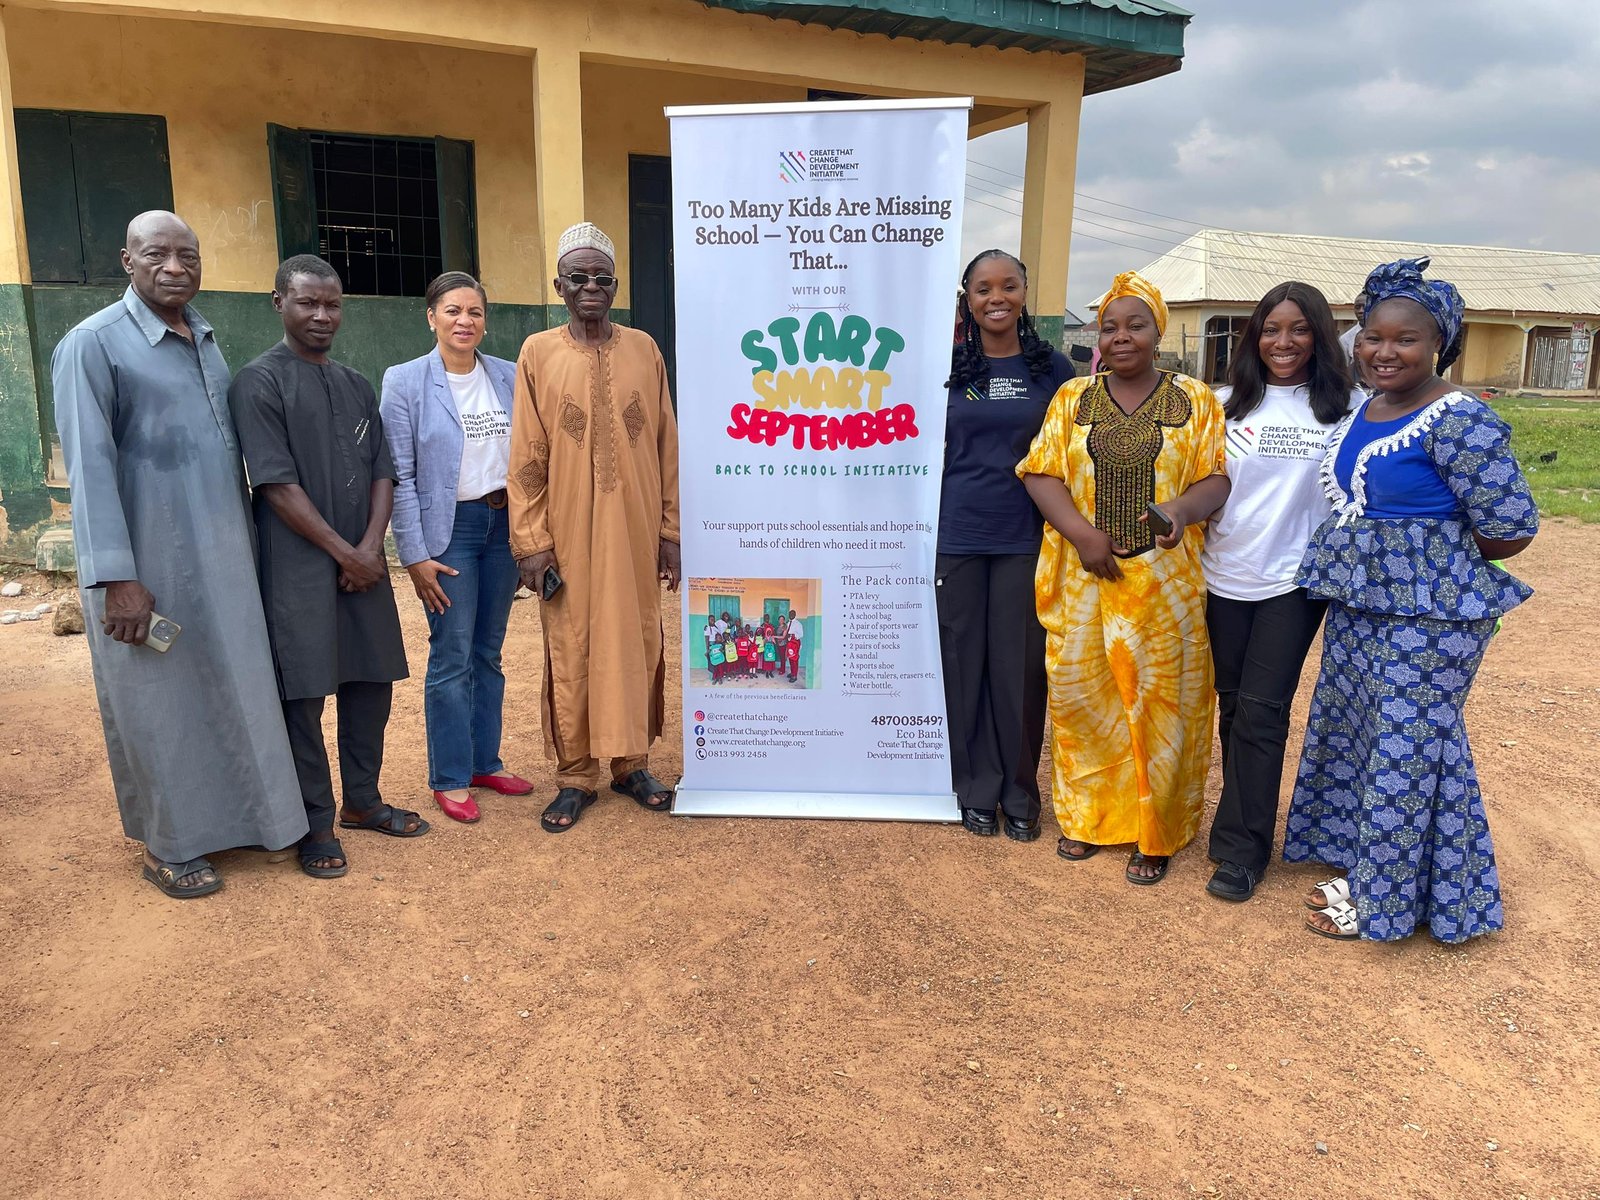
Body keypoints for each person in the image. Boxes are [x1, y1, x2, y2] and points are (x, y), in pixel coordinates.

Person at [52, 211, 307, 898]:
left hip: (224, 555)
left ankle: (249, 819)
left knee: (233, 686)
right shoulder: (93, 345)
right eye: (157, 255)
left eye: (187, 256)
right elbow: (90, 468)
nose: (175, 267)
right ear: (126, 260)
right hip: (148, 561)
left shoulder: (206, 339)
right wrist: (118, 578)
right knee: (158, 702)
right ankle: (170, 844)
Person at [1286, 257, 1538, 942]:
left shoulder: (1460, 420)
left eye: (1406, 339)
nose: (1384, 351)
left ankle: (1383, 903)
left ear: (1439, 346)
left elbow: (1511, 527)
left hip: (1433, 618)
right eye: (1373, 337)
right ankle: (1417, 885)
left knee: (1406, 750)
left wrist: (1436, 557)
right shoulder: (1366, 409)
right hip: (1360, 606)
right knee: (1385, 744)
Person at [1019, 271, 1229, 884]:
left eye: (1135, 325)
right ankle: (1086, 821)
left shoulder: (1196, 401)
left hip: (1163, 585)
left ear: (1158, 331)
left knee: (1162, 708)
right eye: (1110, 327)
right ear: (1098, 339)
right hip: (1084, 581)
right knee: (1084, 701)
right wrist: (1082, 536)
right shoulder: (1071, 399)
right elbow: (1040, 472)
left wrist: (1179, 512)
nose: (1121, 337)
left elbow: (1215, 478)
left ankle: (1154, 834)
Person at [230, 255, 428, 878]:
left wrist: (371, 549)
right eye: (307, 303)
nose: (321, 315)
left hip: (363, 563)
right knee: (304, 694)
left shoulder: (354, 383)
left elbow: (382, 470)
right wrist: (347, 554)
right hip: (297, 567)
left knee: (369, 682)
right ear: (278, 303)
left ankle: (362, 803)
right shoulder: (258, 382)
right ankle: (315, 822)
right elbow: (275, 485)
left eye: (332, 304)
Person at [507, 222, 681, 833]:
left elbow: (665, 445)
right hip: (568, 532)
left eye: (601, 277)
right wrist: (531, 543)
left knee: (637, 637)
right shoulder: (538, 352)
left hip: (634, 532)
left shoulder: (644, 348)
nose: (590, 287)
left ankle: (632, 763)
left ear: (615, 286)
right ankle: (576, 775)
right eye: (577, 277)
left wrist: (670, 532)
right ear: (559, 285)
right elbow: (527, 456)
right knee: (573, 641)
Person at [1199, 282, 1360, 902]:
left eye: (1298, 329)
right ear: (1254, 336)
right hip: (1224, 574)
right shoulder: (1221, 405)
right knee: (1234, 707)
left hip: (1296, 581)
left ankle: (1242, 851)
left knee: (1263, 712)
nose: (1283, 342)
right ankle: (1239, 825)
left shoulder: (1350, 409)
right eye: (1271, 329)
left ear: (1320, 335)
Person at [380, 271, 530, 825]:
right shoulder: (405, 381)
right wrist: (415, 555)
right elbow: (399, 474)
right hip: (451, 534)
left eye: (474, 312)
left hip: (503, 528)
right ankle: (449, 776)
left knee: (489, 653)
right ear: (431, 317)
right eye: (453, 311)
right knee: (451, 654)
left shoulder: (511, 376)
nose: (465, 322)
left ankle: (484, 761)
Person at [937, 249, 1074, 842]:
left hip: (1028, 537)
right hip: (956, 534)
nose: (997, 298)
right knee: (963, 664)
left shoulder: (1056, 370)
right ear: (966, 299)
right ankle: (974, 788)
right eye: (983, 288)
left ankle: (1020, 790)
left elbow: (1078, 452)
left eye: (1009, 286)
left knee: (1020, 669)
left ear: (1024, 293)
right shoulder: (944, 367)